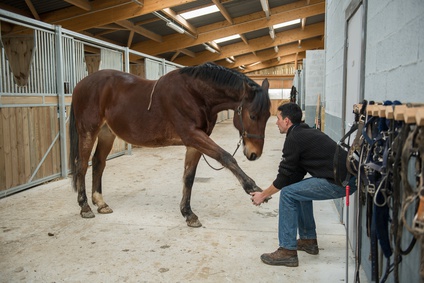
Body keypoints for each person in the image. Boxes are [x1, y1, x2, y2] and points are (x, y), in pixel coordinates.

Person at [250, 102, 356, 267]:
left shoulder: (295, 137)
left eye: (278, 118)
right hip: (346, 178)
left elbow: (284, 176)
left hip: (341, 182)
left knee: (288, 193)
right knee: (297, 189)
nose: (276, 122)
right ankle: (308, 240)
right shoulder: (302, 132)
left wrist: (263, 195)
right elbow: (295, 174)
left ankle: (287, 251)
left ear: (287, 121)